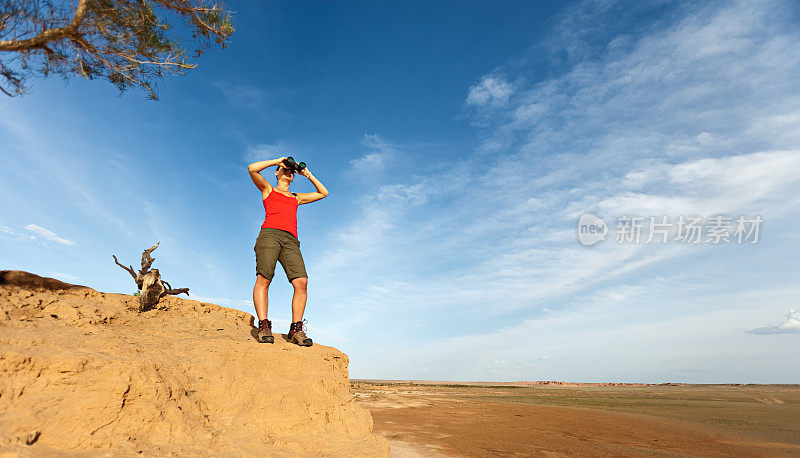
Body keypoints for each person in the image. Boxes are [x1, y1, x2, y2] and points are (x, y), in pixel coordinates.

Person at [247, 157, 329, 346]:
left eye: (290, 170)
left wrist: (306, 173)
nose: (287, 171)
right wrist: (279, 160)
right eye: (283, 169)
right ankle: (264, 326)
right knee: (264, 278)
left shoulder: (296, 197)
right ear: (277, 173)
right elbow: (252, 168)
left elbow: (323, 192)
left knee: (301, 282)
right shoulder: (268, 190)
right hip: (270, 235)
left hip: (291, 240)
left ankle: (296, 330)